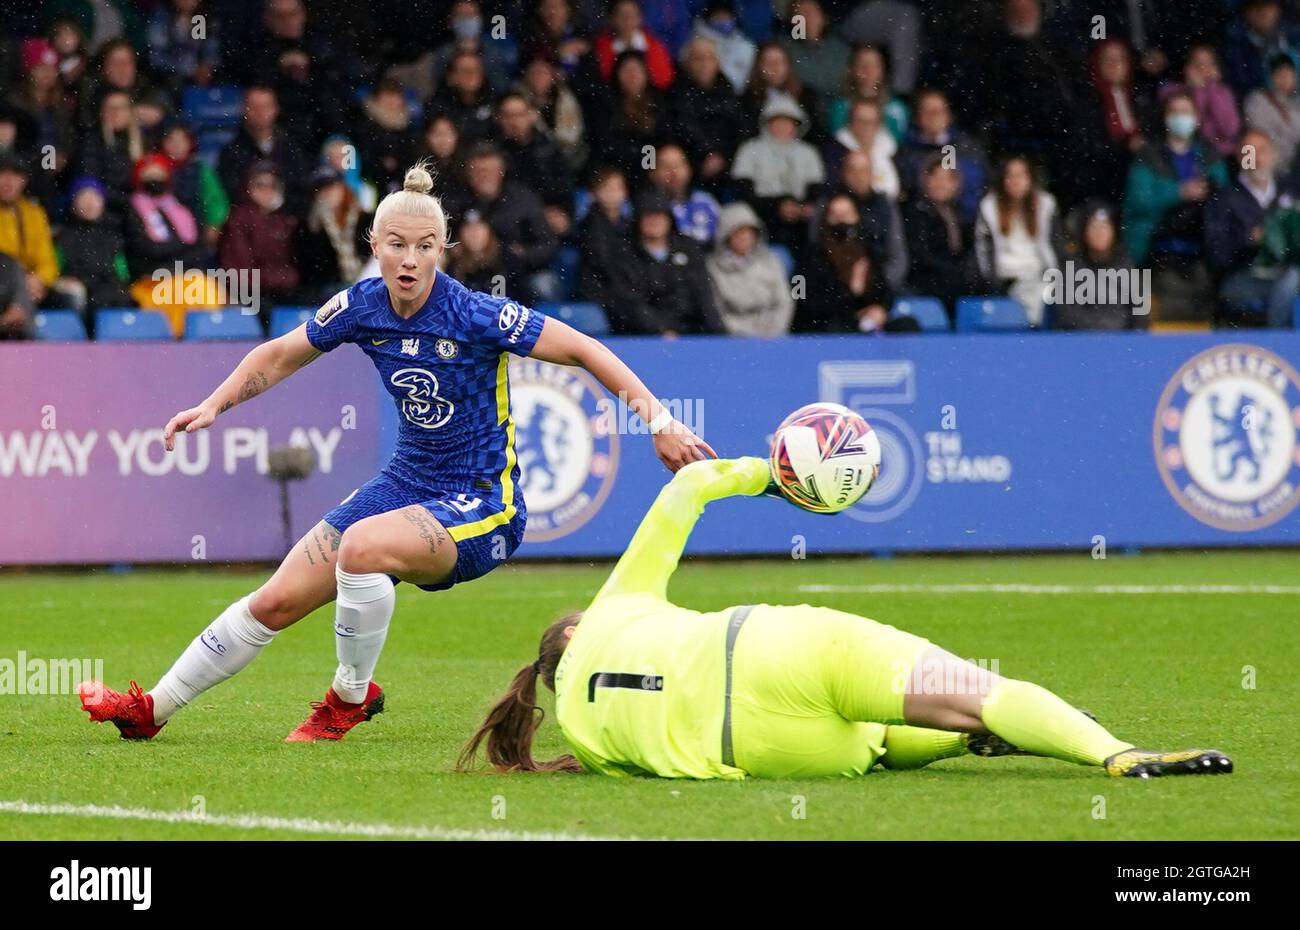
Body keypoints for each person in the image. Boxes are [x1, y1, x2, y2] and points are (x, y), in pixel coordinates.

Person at [78, 161, 715, 744]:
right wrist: (215, 404)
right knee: (274, 599)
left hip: (482, 502)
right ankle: (151, 710)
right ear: (374, 245)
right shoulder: (363, 306)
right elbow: (278, 354)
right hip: (406, 482)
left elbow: (584, 348)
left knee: (361, 548)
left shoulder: (473, 313)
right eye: (396, 245)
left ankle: (348, 697)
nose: (409, 260)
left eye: (424, 247)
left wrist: (658, 420)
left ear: (444, 250)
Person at [459, 457, 1233, 781]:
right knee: (980, 688)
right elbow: (690, 485)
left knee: (878, 745)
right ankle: (1117, 756)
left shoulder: (588, 745)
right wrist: (777, 477)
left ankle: (970, 738)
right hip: (770, 649)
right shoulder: (615, 607)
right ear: (573, 630)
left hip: (770, 754)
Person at [975, 155, 1061, 327]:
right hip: (1006, 281)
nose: (1015, 181)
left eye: (1021, 175)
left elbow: (1056, 247)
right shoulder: (989, 208)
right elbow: (983, 252)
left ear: (1030, 179)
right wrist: (993, 283)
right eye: (1010, 175)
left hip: (1041, 277)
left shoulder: (1045, 205)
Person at [706, 200, 793, 337]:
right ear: (726, 235)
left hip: (773, 334)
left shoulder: (771, 260)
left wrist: (774, 331)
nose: (744, 237)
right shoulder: (712, 266)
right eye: (738, 232)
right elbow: (717, 309)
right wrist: (743, 333)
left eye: (748, 231)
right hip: (734, 337)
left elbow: (784, 301)